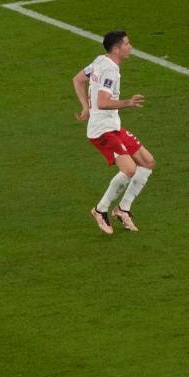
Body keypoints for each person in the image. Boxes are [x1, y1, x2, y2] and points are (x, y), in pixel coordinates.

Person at [71, 30, 156, 234]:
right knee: (129, 169)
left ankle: (123, 209)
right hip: (102, 131)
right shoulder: (109, 70)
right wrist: (128, 102)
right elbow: (102, 102)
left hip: (113, 126)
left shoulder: (100, 60)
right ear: (116, 49)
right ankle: (100, 210)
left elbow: (78, 79)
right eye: (126, 44)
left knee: (147, 162)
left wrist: (85, 107)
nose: (130, 47)